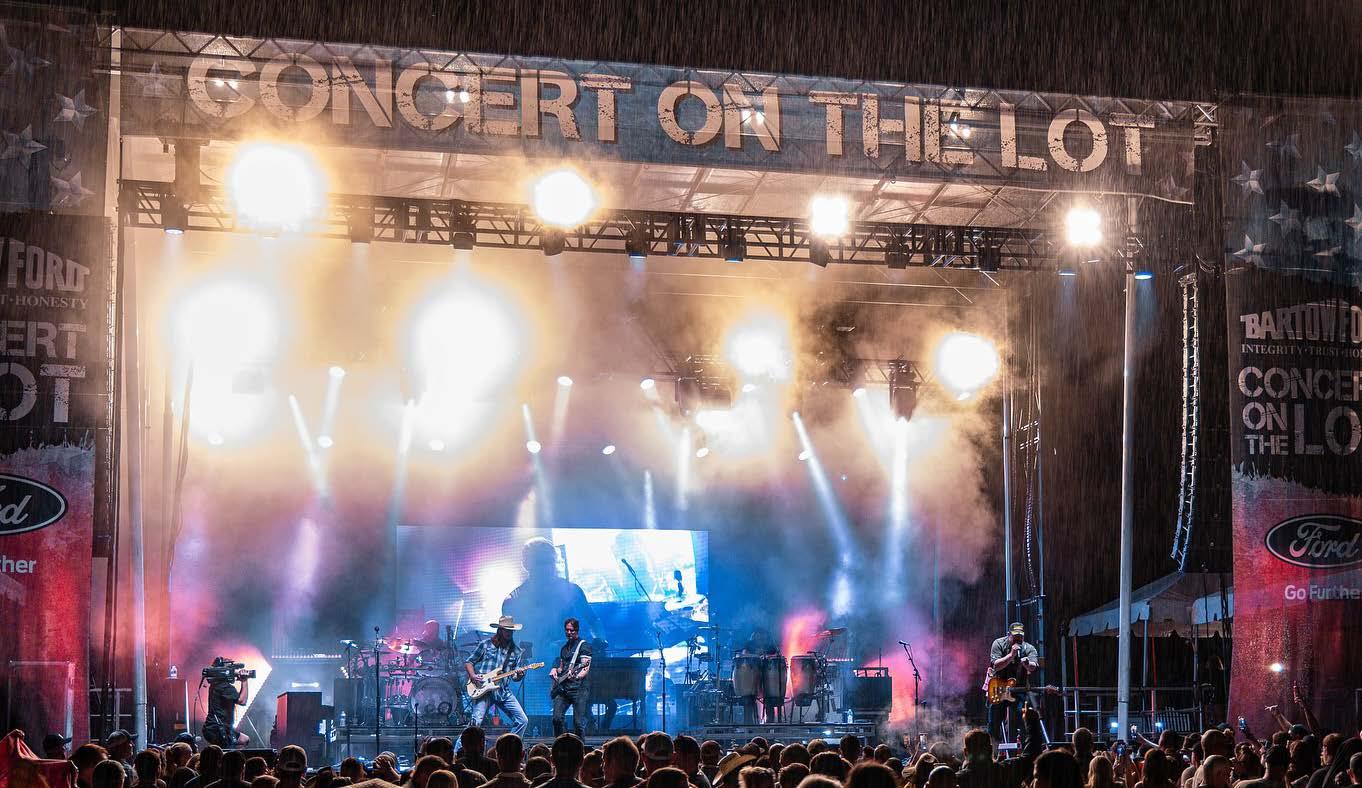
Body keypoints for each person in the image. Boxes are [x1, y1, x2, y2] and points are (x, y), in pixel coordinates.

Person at [465, 617, 531, 738]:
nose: (509, 633)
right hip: (484, 690)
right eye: (506, 630)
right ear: (500, 630)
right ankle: (460, 748)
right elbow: (469, 662)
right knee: (475, 724)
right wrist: (473, 676)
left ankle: (510, 745)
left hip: (503, 691)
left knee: (522, 720)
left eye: (511, 630)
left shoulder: (516, 651)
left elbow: (515, 677)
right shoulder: (486, 644)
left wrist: (520, 675)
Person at [986, 623, 1040, 746]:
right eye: (1015, 636)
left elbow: (1034, 666)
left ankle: (1026, 749)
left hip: (1018, 690)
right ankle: (993, 750)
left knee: (1026, 718)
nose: (1018, 638)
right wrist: (1011, 655)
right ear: (1008, 634)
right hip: (999, 688)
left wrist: (1027, 664)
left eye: (1020, 636)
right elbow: (996, 665)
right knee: (994, 722)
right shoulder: (998, 643)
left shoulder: (1028, 648)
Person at [549, 618, 594, 739]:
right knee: (557, 719)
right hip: (563, 688)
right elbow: (561, 668)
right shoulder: (564, 648)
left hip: (579, 688)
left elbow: (585, 668)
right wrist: (554, 669)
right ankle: (561, 744)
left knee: (578, 723)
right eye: (567, 630)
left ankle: (580, 747)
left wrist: (576, 676)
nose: (569, 633)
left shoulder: (584, 646)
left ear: (577, 630)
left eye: (572, 630)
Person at [203, 666, 251, 749]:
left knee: (244, 740)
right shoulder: (224, 686)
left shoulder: (215, 685)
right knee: (227, 751)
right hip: (219, 729)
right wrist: (244, 680)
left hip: (213, 728)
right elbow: (242, 701)